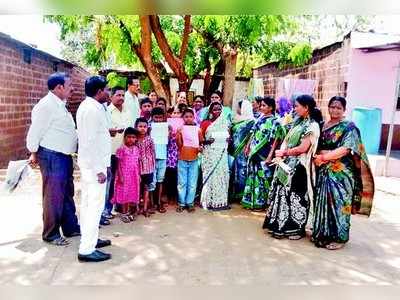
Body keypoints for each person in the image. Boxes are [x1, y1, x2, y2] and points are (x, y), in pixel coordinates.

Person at [312, 96, 375, 250]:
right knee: (322, 202)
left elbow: (346, 149)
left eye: (338, 108)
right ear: (328, 107)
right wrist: (317, 157)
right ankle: (322, 233)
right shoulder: (322, 125)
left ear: (344, 110)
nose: (335, 110)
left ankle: (340, 238)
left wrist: (324, 157)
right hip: (323, 170)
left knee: (339, 204)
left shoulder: (349, 127)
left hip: (340, 174)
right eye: (332, 106)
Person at [26, 72, 80, 246]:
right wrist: (33, 151)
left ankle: (70, 228)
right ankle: (51, 234)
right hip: (51, 156)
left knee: (66, 194)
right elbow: (35, 132)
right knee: (53, 196)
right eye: (69, 85)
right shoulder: (46, 106)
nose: (72, 88)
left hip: (63, 155)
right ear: (59, 88)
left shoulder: (59, 104)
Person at [262, 94, 322, 240]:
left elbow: (303, 148)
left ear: (306, 108)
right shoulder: (298, 122)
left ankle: (296, 229)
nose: (294, 109)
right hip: (286, 165)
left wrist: (284, 152)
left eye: (297, 106)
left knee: (296, 198)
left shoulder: (312, 125)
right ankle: (279, 226)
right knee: (283, 195)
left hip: (299, 167)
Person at [76, 75, 112, 262]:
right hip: (94, 166)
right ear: (99, 92)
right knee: (94, 206)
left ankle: (90, 239)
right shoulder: (91, 110)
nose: (109, 93)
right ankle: (87, 250)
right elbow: (89, 142)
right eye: (107, 89)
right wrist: (99, 169)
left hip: (92, 163)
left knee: (89, 205)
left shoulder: (92, 106)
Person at [241, 97, 284, 210]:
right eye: (261, 105)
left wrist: (270, 155)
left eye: (264, 105)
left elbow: (276, 139)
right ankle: (251, 201)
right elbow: (253, 133)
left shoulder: (275, 121)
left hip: (264, 152)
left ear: (271, 108)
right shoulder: (259, 118)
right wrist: (247, 146)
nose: (261, 107)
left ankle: (262, 203)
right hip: (254, 150)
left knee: (263, 177)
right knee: (252, 174)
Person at [103, 86, 131, 219]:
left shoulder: (127, 111)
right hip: (111, 151)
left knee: (122, 179)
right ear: (111, 96)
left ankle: (118, 205)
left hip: (125, 152)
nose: (121, 98)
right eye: (118, 95)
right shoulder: (107, 112)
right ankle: (106, 209)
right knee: (110, 179)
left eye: (122, 95)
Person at [200, 102, 231, 210]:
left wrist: (228, 139)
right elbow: (200, 140)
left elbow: (228, 137)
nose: (217, 112)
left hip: (221, 153)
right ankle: (208, 201)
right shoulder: (205, 123)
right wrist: (207, 141)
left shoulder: (225, 123)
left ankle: (221, 201)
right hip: (209, 153)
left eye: (219, 109)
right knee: (211, 176)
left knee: (222, 175)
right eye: (215, 109)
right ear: (210, 111)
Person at [176, 109, 204, 212]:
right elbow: (178, 145)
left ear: (194, 118)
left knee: (192, 182)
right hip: (182, 158)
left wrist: (200, 148)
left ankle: (190, 203)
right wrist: (178, 134)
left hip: (194, 158)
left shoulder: (198, 129)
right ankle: (181, 203)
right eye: (186, 116)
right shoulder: (180, 129)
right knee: (182, 182)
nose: (188, 118)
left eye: (190, 116)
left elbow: (201, 142)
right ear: (183, 118)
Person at [112, 127, 141, 223]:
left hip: (134, 176)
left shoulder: (136, 149)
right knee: (124, 194)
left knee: (131, 194)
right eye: (129, 137)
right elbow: (118, 164)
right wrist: (120, 176)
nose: (131, 139)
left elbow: (137, 163)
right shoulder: (121, 149)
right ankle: (124, 213)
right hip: (124, 176)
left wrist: (139, 175)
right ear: (124, 137)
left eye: (133, 137)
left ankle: (129, 212)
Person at [229, 99, 255, 203]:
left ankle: (241, 195)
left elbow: (251, 136)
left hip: (243, 151)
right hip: (235, 150)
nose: (237, 109)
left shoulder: (251, 121)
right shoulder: (236, 119)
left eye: (239, 107)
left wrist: (247, 147)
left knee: (242, 171)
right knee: (234, 171)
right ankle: (235, 193)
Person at [149, 107, 169, 213]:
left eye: (160, 118)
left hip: (162, 157)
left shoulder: (166, 127)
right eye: (156, 118)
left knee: (160, 180)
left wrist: (169, 132)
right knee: (152, 181)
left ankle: (159, 202)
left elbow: (168, 141)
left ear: (163, 118)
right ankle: (152, 203)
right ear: (152, 118)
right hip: (151, 158)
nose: (158, 120)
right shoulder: (149, 127)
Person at [135, 117, 156, 217]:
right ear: (136, 127)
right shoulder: (134, 140)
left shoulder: (150, 140)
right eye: (140, 126)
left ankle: (145, 208)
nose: (142, 128)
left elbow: (153, 153)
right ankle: (137, 207)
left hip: (148, 167)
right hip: (137, 168)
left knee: (146, 187)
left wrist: (153, 165)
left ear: (147, 128)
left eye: (144, 126)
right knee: (137, 188)